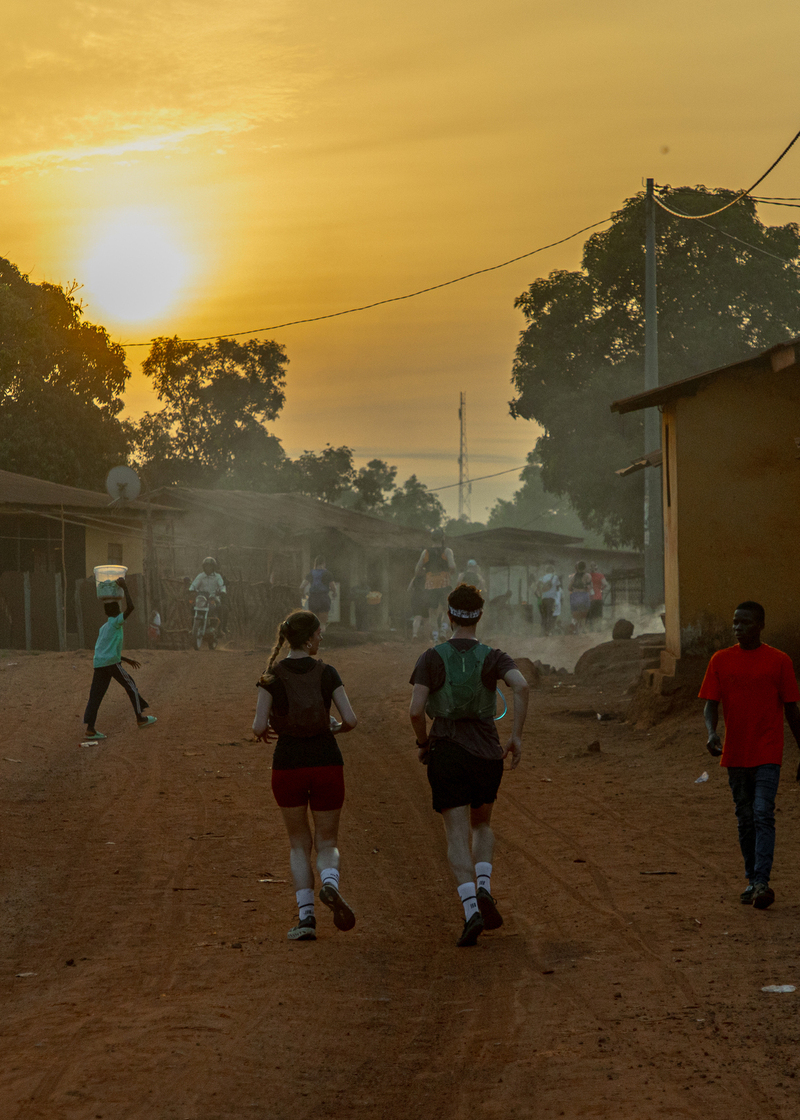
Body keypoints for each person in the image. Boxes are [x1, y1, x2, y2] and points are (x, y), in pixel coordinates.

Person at [409, 583, 529, 946]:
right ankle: (483, 885)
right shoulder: (493, 656)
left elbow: (416, 711)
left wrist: (423, 741)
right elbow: (521, 686)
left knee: (455, 833)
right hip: (486, 753)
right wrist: (516, 736)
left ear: (449, 615)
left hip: (447, 752)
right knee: (483, 824)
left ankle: (470, 910)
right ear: (479, 616)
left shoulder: (432, 657)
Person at [253, 609, 358, 941]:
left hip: (288, 764)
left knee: (299, 844)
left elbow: (258, 726)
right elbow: (351, 719)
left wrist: (268, 730)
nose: (321, 638)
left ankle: (307, 918)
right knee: (327, 842)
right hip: (327, 761)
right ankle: (330, 882)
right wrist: (334, 729)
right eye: (318, 634)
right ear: (309, 638)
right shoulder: (327, 673)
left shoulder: (271, 675)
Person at [700, 601, 800, 910]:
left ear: (760, 625)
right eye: (735, 622)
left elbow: (792, 710)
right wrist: (712, 733)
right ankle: (752, 879)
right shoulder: (720, 660)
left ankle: (761, 883)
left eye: (744, 622)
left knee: (762, 814)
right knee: (745, 819)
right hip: (735, 753)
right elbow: (710, 704)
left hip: (768, 751)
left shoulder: (779, 661)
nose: (737, 628)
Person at [83, 578, 157, 739]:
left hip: (100, 664)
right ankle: (140, 718)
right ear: (117, 612)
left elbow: (105, 650)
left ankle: (90, 728)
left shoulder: (104, 627)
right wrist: (125, 587)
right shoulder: (117, 622)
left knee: (96, 695)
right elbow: (131, 607)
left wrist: (126, 659)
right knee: (131, 686)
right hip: (111, 663)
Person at [408, 528, 456, 642]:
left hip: (430, 586)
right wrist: (450, 573)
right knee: (448, 609)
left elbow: (417, 569)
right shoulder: (447, 551)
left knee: (432, 613)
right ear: (443, 538)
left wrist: (426, 573)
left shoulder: (426, 552)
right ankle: (443, 631)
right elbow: (453, 567)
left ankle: (435, 638)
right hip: (444, 583)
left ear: (432, 538)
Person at [190, 557, 228, 632]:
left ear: (213, 567)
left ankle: (219, 629)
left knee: (220, 608)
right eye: (206, 566)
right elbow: (194, 585)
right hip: (202, 598)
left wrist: (222, 591)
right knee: (193, 607)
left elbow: (222, 586)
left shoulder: (217, 577)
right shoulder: (200, 576)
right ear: (204, 567)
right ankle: (193, 628)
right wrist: (190, 589)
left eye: (210, 566)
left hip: (213, 598)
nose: (208, 568)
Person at [300, 556, 337, 630]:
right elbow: (333, 587)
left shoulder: (311, 574)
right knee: (323, 622)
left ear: (315, 563)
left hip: (313, 599)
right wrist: (334, 593)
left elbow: (301, 586)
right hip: (323, 598)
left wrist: (303, 594)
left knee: (314, 621)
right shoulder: (327, 573)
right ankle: (322, 637)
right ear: (324, 563)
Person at [535, 563, 561, 637]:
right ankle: (548, 631)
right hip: (551, 599)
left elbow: (538, 587)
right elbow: (558, 588)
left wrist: (541, 592)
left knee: (544, 615)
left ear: (546, 571)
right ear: (552, 571)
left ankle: (542, 631)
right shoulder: (555, 577)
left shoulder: (542, 578)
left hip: (544, 599)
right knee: (550, 615)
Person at [568, 561, 592, 633]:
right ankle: (583, 628)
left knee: (575, 613)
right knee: (584, 613)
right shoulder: (588, 576)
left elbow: (569, 588)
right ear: (585, 567)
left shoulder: (573, 576)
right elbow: (588, 587)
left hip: (575, 595)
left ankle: (576, 629)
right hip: (583, 594)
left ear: (577, 567)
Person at [587, 563, 610, 630]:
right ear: (597, 569)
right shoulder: (600, 575)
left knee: (591, 614)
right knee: (599, 614)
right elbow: (606, 584)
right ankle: (598, 628)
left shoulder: (588, 576)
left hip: (590, 598)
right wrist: (601, 589)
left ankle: (591, 628)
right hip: (598, 598)